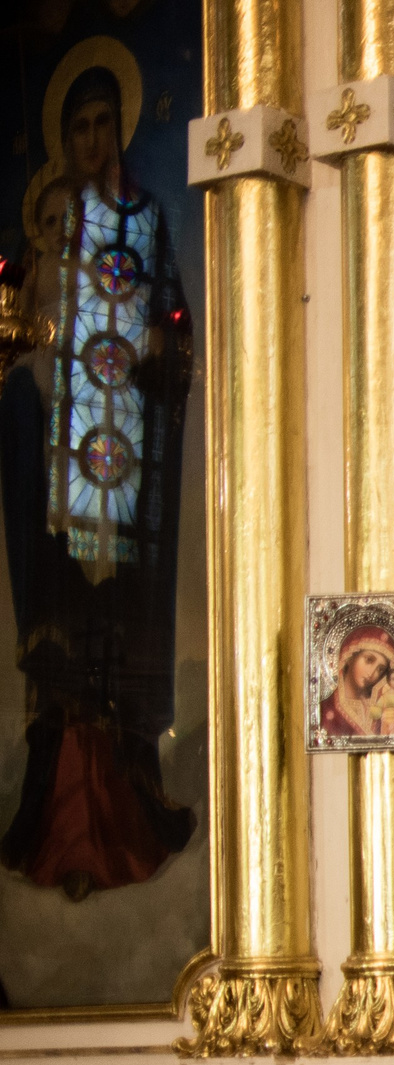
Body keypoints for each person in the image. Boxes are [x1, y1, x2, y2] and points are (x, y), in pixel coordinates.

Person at [0, 62, 195, 899]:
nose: (88, 141)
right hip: (56, 480)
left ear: (117, 131)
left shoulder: (146, 223)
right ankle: (53, 819)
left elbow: (173, 332)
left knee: (116, 638)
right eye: (75, 127)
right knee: (64, 644)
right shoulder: (47, 233)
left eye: (100, 125)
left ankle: (128, 809)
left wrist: (160, 352)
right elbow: (19, 339)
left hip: (123, 476)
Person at [318, 626, 394, 739]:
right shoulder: (326, 709)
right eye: (369, 660)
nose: (372, 673)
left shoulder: (381, 704)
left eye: (380, 669)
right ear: (350, 656)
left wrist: (391, 724)